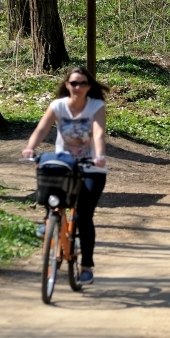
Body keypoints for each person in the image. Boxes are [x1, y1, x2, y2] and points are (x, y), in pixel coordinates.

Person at [22, 67, 109, 285]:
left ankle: (86, 266)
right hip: (65, 164)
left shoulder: (96, 106)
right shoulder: (58, 106)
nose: (78, 87)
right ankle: (50, 221)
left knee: (83, 215)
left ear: (89, 87)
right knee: (49, 188)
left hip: (91, 167)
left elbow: (98, 132)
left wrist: (99, 155)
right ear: (67, 85)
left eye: (82, 83)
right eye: (74, 83)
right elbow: (42, 128)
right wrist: (30, 147)